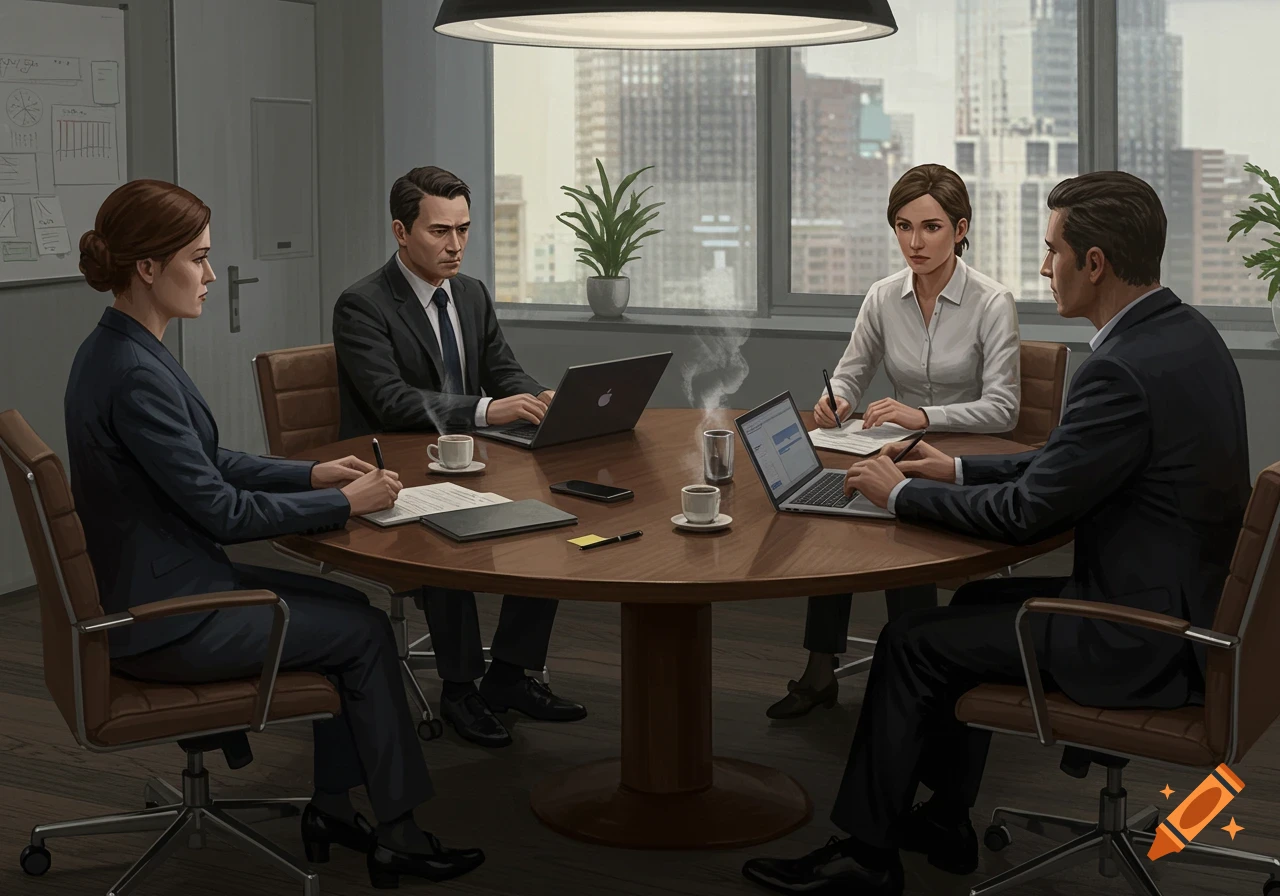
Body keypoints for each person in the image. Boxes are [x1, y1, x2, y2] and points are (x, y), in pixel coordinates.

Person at [742, 170, 1250, 896]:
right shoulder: (1185, 335)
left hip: (1137, 638)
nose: (1045, 268)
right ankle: (946, 821)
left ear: (1094, 262)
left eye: (1052, 251)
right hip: (1182, 610)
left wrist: (903, 494)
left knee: (910, 644)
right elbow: (1061, 465)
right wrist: (952, 472)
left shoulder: (1119, 370)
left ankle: (865, 855)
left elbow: (1027, 513)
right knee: (969, 615)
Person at [64, 179, 484, 888]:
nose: (209, 275)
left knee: (352, 614)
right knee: (363, 634)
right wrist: (347, 504)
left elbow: (206, 463)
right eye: (196, 259)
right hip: (166, 618)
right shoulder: (135, 372)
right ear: (146, 268)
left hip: (166, 583)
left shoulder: (122, 349)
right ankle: (399, 835)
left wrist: (312, 474)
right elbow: (223, 514)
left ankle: (332, 807)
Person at [332, 165, 586, 749]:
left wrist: (536, 395)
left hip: (470, 461)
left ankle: (510, 675)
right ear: (401, 231)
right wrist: (486, 411)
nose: (455, 246)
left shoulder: (469, 293)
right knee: (441, 536)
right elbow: (391, 401)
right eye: (439, 232)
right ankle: (460, 687)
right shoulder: (363, 305)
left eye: (464, 230)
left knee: (548, 516)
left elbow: (503, 368)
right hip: (392, 473)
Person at [768, 163, 1021, 720]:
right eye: (903, 226)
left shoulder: (992, 301)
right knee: (836, 505)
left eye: (930, 227)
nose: (914, 242)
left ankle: (912, 678)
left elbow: (1004, 409)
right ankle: (819, 668)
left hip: (960, 460)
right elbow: (850, 377)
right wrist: (834, 402)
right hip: (894, 448)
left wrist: (921, 414)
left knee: (899, 515)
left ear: (960, 228)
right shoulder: (883, 297)